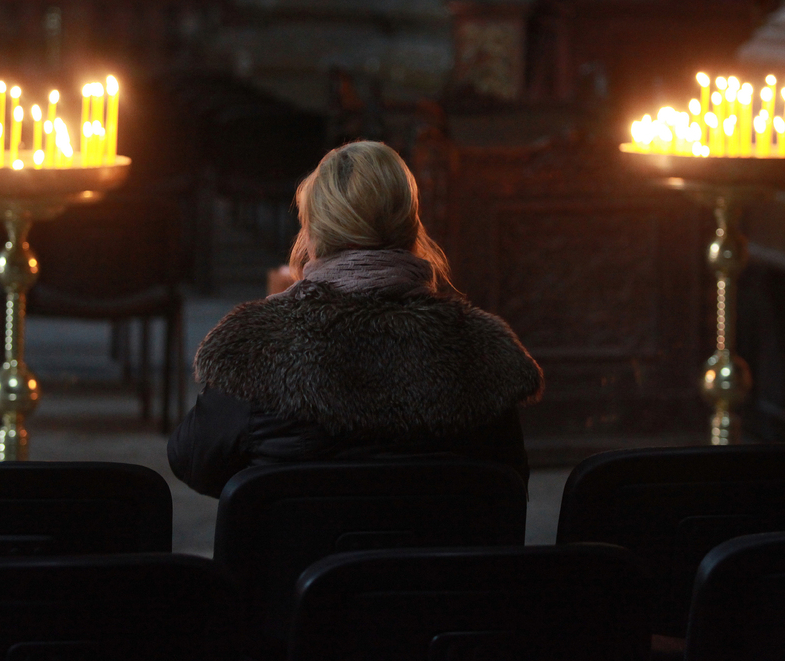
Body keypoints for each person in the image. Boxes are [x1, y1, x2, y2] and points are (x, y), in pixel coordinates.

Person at [168, 141, 543, 497]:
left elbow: (194, 460)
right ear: (412, 228)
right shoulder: (481, 350)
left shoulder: (256, 345)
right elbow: (506, 491)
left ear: (313, 233)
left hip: (299, 564)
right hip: (435, 567)